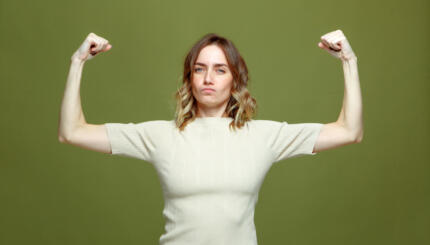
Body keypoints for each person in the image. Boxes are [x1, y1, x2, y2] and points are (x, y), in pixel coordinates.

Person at [58, 30, 363, 245]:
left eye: (220, 70)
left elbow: (349, 130)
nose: (207, 78)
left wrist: (349, 62)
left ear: (235, 80)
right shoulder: (160, 135)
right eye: (199, 69)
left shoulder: (264, 136)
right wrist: (77, 63)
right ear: (189, 80)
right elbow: (72, 132)